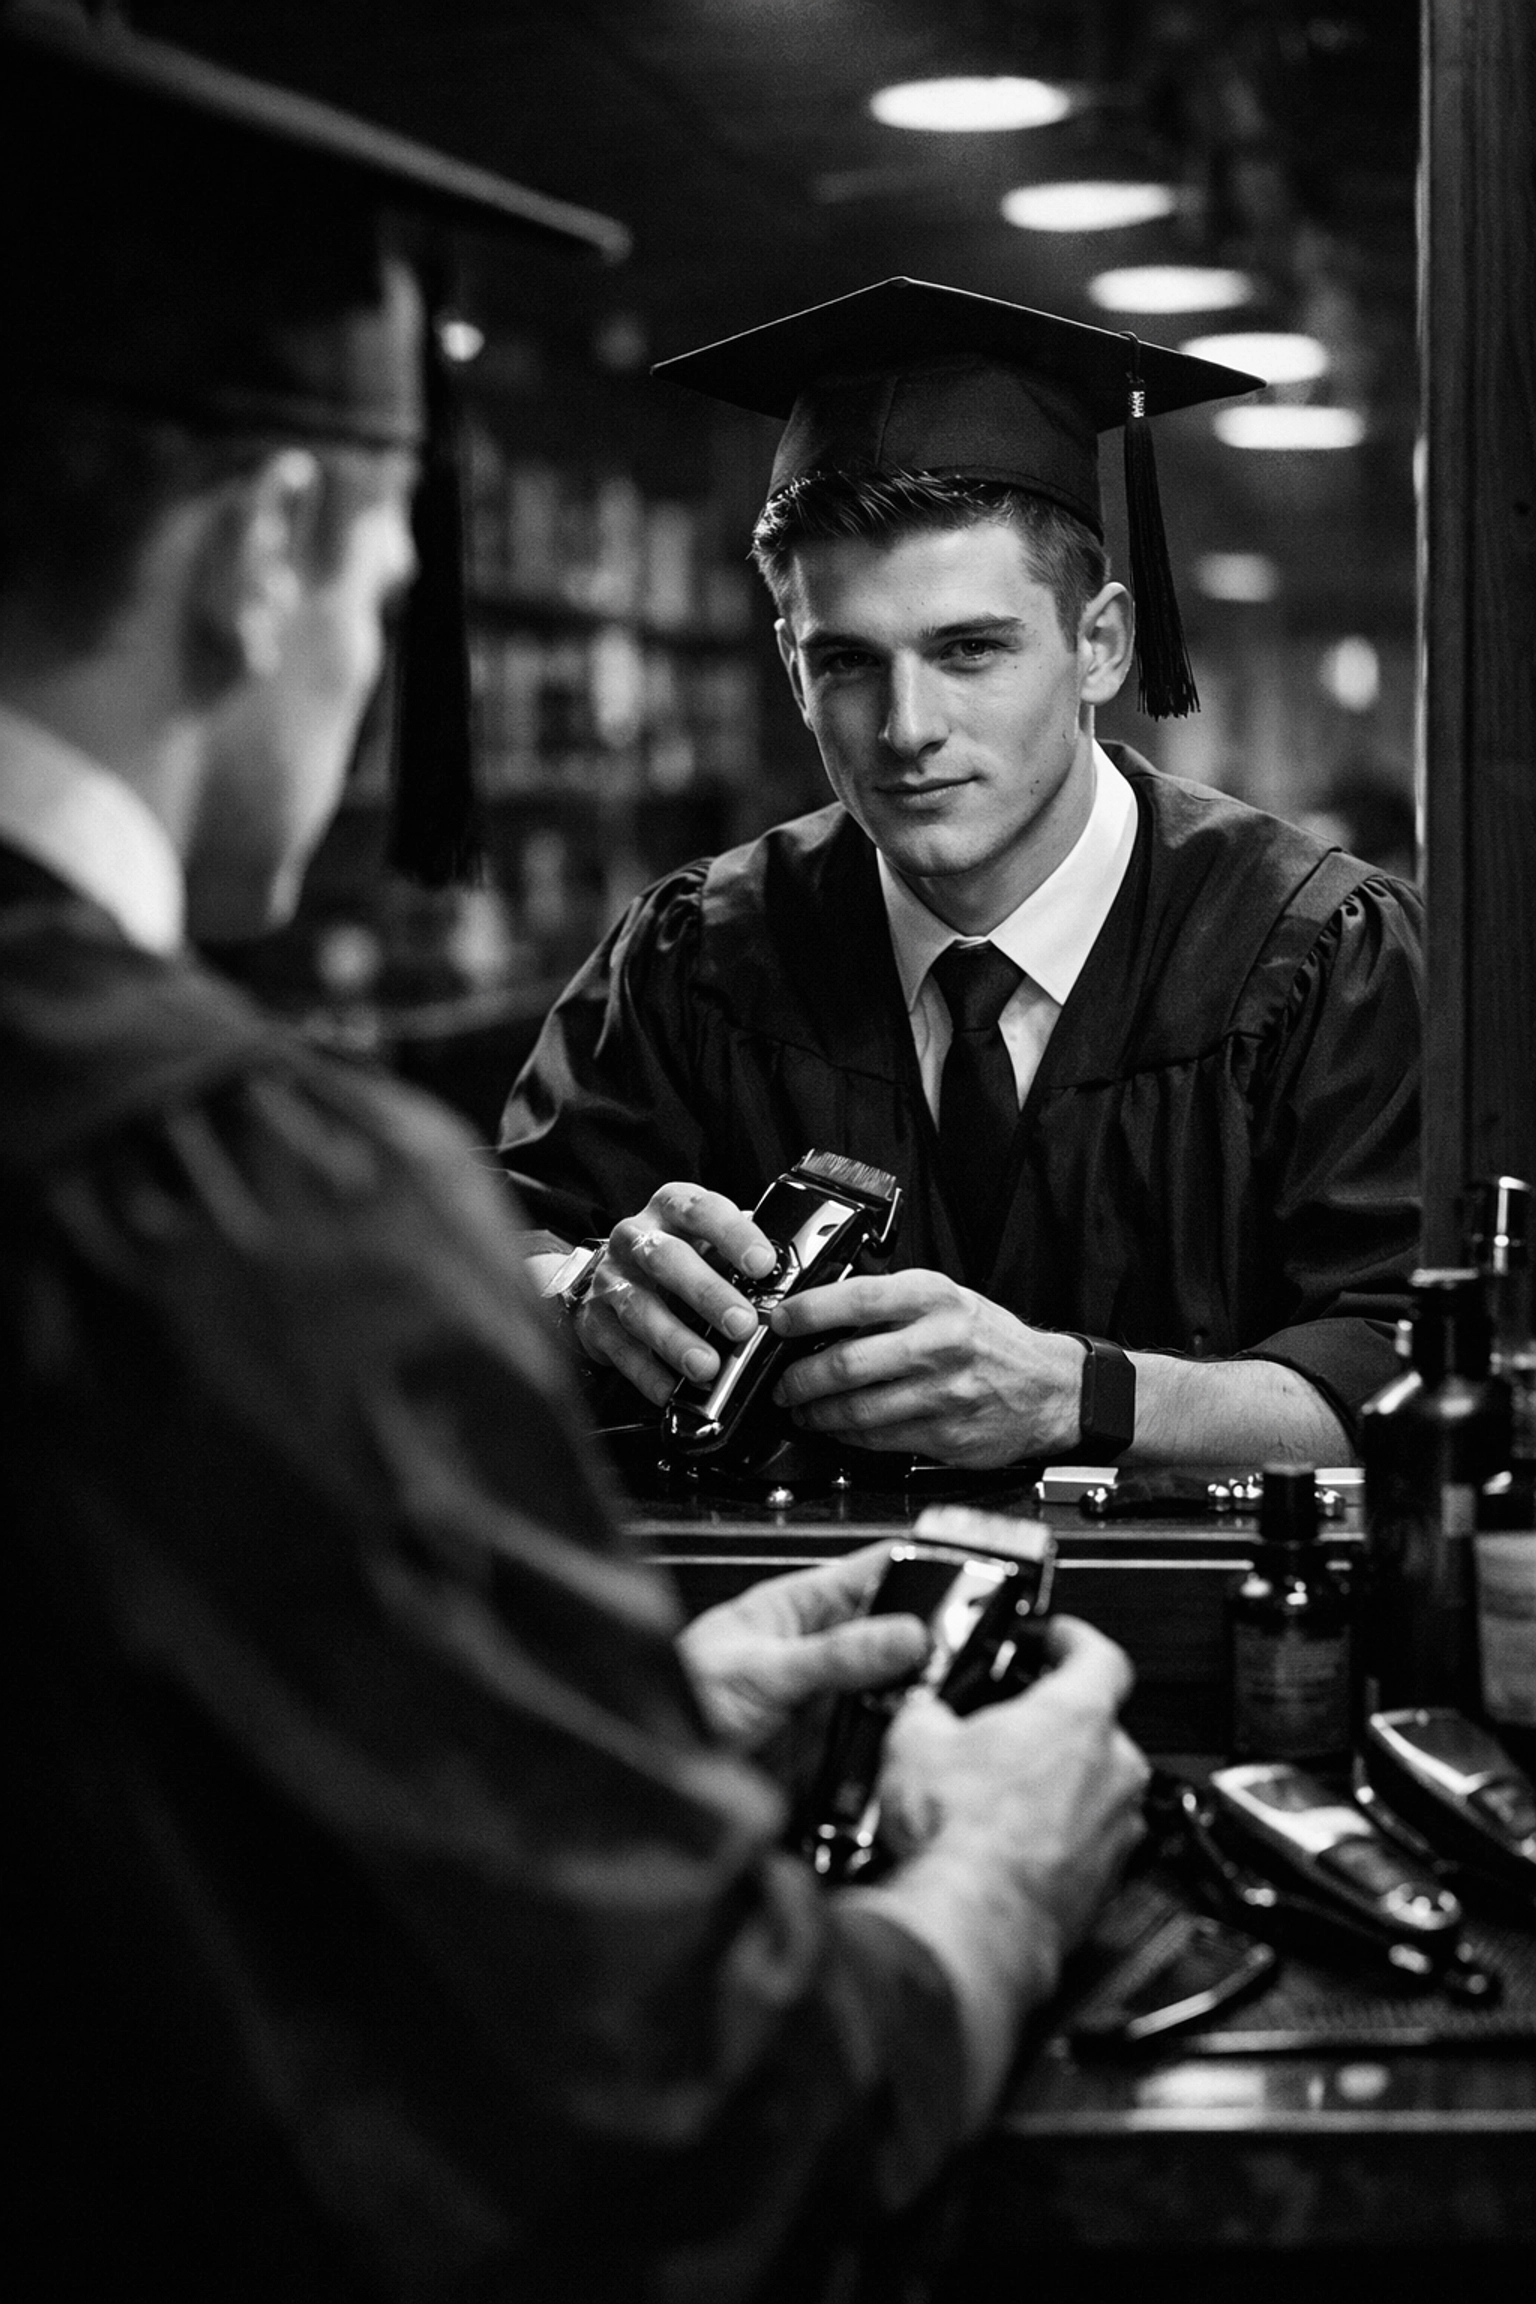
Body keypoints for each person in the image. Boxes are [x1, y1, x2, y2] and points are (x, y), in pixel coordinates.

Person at [0, 16, 1145, 2300]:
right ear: (273, 542)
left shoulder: (1310, 948)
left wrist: (601, 1724)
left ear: (1097, 647)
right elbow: (685, 2141)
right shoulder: (237, 1194)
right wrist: (996, 1875)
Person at [501, 279, 1422, 1474]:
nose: (905, 727)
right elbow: (475, 1261)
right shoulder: (699, 953)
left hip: (1208, 1641)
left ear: (1099, 644)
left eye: (970, 649)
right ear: (791, 667)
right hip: (785, 1626)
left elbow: (1407, 1370)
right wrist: (582, 1292)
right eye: (846, 662)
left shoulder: (1315, 955)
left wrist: (1083, 1396)